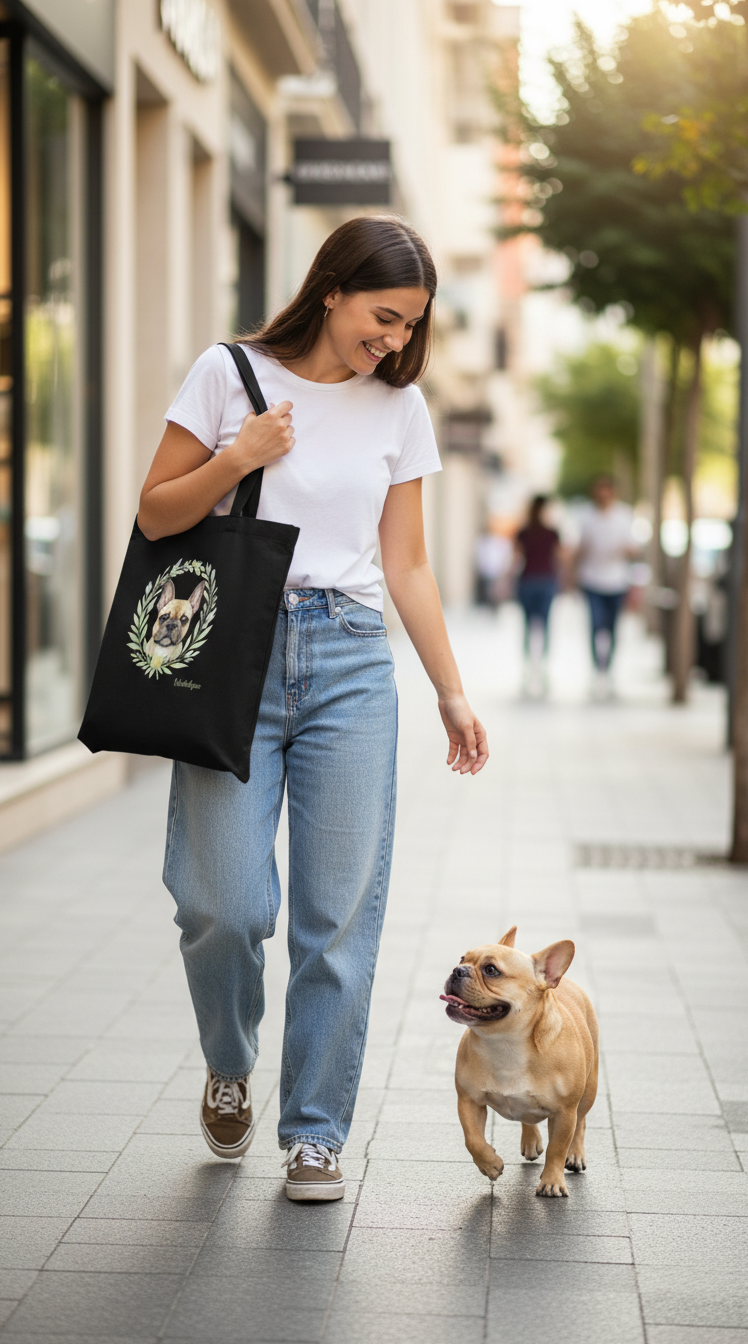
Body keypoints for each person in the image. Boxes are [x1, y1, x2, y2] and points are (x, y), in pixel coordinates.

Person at [136, 216, 488, 1203]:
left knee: (338, 920)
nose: (395, 342)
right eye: (385, 317)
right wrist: (238, 458)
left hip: (348, 657)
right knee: (221, 905)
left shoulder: (399, 409)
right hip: (231, 652)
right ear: (331, 289)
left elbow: (408, 564)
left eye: (411, 327)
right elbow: (156, 511)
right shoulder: (226, 374)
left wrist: (451, 691)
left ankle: (316, 1132)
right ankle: (228, 1059)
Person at [575, 474, 636, 695]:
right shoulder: (586, 517)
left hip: (617, 581)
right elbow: (580, 549)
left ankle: (608, 669)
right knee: (595, 625)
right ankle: (597, 670)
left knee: (612, 628)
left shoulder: (624, 515)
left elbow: (634, 548)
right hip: (592, 580)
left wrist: (624, 550)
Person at [514, 495, 561, 695]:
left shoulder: (524, 532)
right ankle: (542, 668)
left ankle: (528, 669)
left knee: (527, 625)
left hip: (528, 581)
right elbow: (559, 558)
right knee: (545, 624)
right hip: (545, 581)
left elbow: (515, 559)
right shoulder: (551, 533)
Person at [475, 518, 513, 608]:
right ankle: (486, 605)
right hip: (485, 571)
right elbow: (480, 555)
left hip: (497, 570)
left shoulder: (500, 541)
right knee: (486, 591)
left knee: (496, 591)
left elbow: (505, 555)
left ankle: (495, 606)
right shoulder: (483, 541)